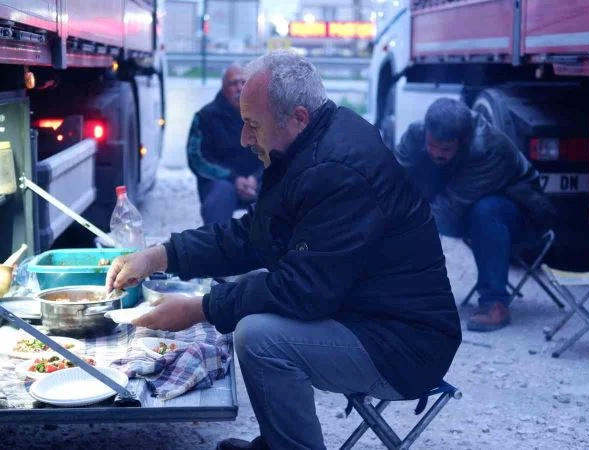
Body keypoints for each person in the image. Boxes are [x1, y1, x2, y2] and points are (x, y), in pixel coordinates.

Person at [107, 52, 462, 450]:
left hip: (404, 344)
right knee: (250, 309)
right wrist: (160, 255)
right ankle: (279, 442)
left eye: (252, 125)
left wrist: (200, 308)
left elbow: (303, 292)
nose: (244, 138)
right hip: (365, 312)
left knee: (260, 337)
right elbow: (253, 235)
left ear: (297, 117)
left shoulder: (338, 170)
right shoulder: (309, 149)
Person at [394, 98, 558, 332]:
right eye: (432, 145)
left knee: (486, 210)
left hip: (519, 216)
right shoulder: (415, 135)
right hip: (460, 207)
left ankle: (495, 304)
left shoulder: (491, 148)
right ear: (426, 132)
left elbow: (448, 212)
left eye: (446, 149)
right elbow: (391, 181)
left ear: (465, 140)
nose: (437, 153)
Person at [187, 63, 263, 225]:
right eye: (233, 83)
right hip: (221, 183)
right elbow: (196, 159)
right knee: (221, 194)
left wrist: (256, 178)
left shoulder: (263, 115)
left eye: (244, 83)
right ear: (223, 87)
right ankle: (214, 245)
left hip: (257, 181)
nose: (239, 88)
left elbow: (277, 152)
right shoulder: (205, 117)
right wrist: (233, 178)